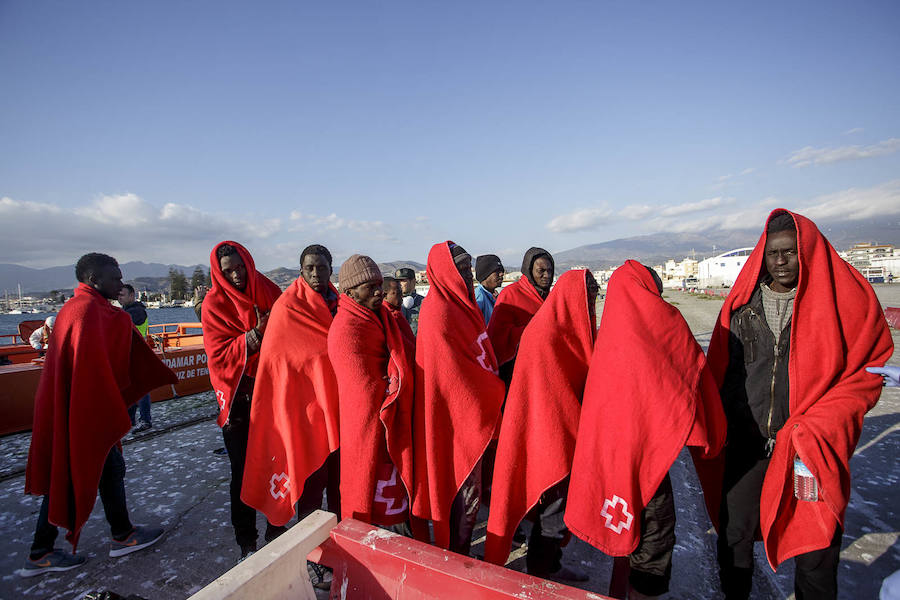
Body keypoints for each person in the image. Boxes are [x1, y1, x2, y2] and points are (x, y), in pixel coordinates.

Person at [701, 209, 893, 599]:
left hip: (808, 449)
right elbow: (721, 372)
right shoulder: (742, 309)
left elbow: (867, 371)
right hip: (750, 444)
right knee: (734, 534)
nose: (781, 261)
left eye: (789, 252)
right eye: (773, 253)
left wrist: (825, 420)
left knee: (817, 544)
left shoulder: (836, 308)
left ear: (805, 252)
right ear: (763, 256)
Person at [565, 261, 727, 599]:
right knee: (656, 533)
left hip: (612, 455)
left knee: (633, 533)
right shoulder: (659, 324)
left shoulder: (611, 332)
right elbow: (686, 373)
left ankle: (622, 589)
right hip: (643, 454)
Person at [19, 253, 176, 578]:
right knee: (73, 472)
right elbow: (94, 372)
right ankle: (41, 551)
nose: (120, 284)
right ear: (93, 280)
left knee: (103, 469)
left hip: (77, 409)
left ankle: (122, 533)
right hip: (84, 414)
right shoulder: (89, 313)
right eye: (115, 278)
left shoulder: (75, 311)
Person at [484, 269, 598, 582]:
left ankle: (551, 565)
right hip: (546, 434)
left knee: (558, 510)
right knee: (552, 512)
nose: (592, 304)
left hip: (566, 431)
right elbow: (547, 394)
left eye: (595, 297)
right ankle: (538, 575)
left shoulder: (573, 327)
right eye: (588, 297)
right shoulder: (545, 333)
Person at [241, 244, 340, 588]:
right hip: (302, 412)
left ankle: (340, 549)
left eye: (322, 267)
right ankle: (311, 554)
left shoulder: (340, 304)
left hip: (337, 409)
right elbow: (282, 363)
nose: (316, 274)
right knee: (311, 487)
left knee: (338, 486)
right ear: (300, 271)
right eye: (309, 268)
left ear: (331, 269)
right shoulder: (288, 308)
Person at [412, 242, 506, 554]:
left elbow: (479, 351)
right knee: (462, 495)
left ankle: (460, 553)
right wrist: (494, 389)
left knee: (472, 496)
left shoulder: (462, 305)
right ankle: (457, 557)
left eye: (468, 268)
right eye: (461, 269)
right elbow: (453, 378)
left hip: (470, 415)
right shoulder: (439, 312)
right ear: (444, 272)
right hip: (454, 423)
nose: (467, 275)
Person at [202, 241, 283, 560]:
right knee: (243, 472)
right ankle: (246, 541)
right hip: (240, 398)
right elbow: (218, 355)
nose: (236, 274)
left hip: (274, 392)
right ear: (218, 273)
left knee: (278, 464)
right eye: (228, 270)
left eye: (240, 267)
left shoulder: (269, 290)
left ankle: (277, 527)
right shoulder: (213, 304)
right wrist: (256, 336)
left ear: (248, 262)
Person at [327, 255, 416, 531]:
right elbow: (361, 389)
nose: (379, 291)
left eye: (379, 284)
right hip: (369, 424)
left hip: (392, 418)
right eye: (370, 286)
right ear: (350, 291)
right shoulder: (345, 330)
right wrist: (394, 381)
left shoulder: (384, 318)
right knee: (373, 499)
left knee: (397, 502)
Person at [487, 247, 554, 386]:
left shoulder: (552, 297)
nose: (547, 275)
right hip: (516, 373)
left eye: (550, 270)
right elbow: (497, 336)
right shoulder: (511, 295)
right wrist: (535, 331)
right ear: (529, 270)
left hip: (545, 369)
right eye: (541, 271)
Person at [119, 284, 152, 432]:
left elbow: (123, 324)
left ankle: (145, 420)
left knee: (141, 390)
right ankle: (129, 419)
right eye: (118, 295)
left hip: (137, 355)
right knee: (129, 389)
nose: (120, 298)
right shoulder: (125, 312)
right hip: (128, 355)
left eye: (123, 295)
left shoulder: (136, 312)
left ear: (132, 295)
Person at [383, 276, 416, 347]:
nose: (402, 295)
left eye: (401, 291)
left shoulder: (397, 313)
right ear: (384, 295)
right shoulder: (388, 317)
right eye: (398, 292)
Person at [474, 254, 504, 325]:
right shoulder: (479, 296)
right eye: (497, 271)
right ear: (485, 275)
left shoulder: (492, 295)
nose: (502, 274)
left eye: (502, 271)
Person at [395, 267, 424, 335]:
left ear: (413, 281)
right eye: (397, 281)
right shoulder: (392, 303)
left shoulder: (424, 303)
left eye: (403, 280)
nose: (399, 284)